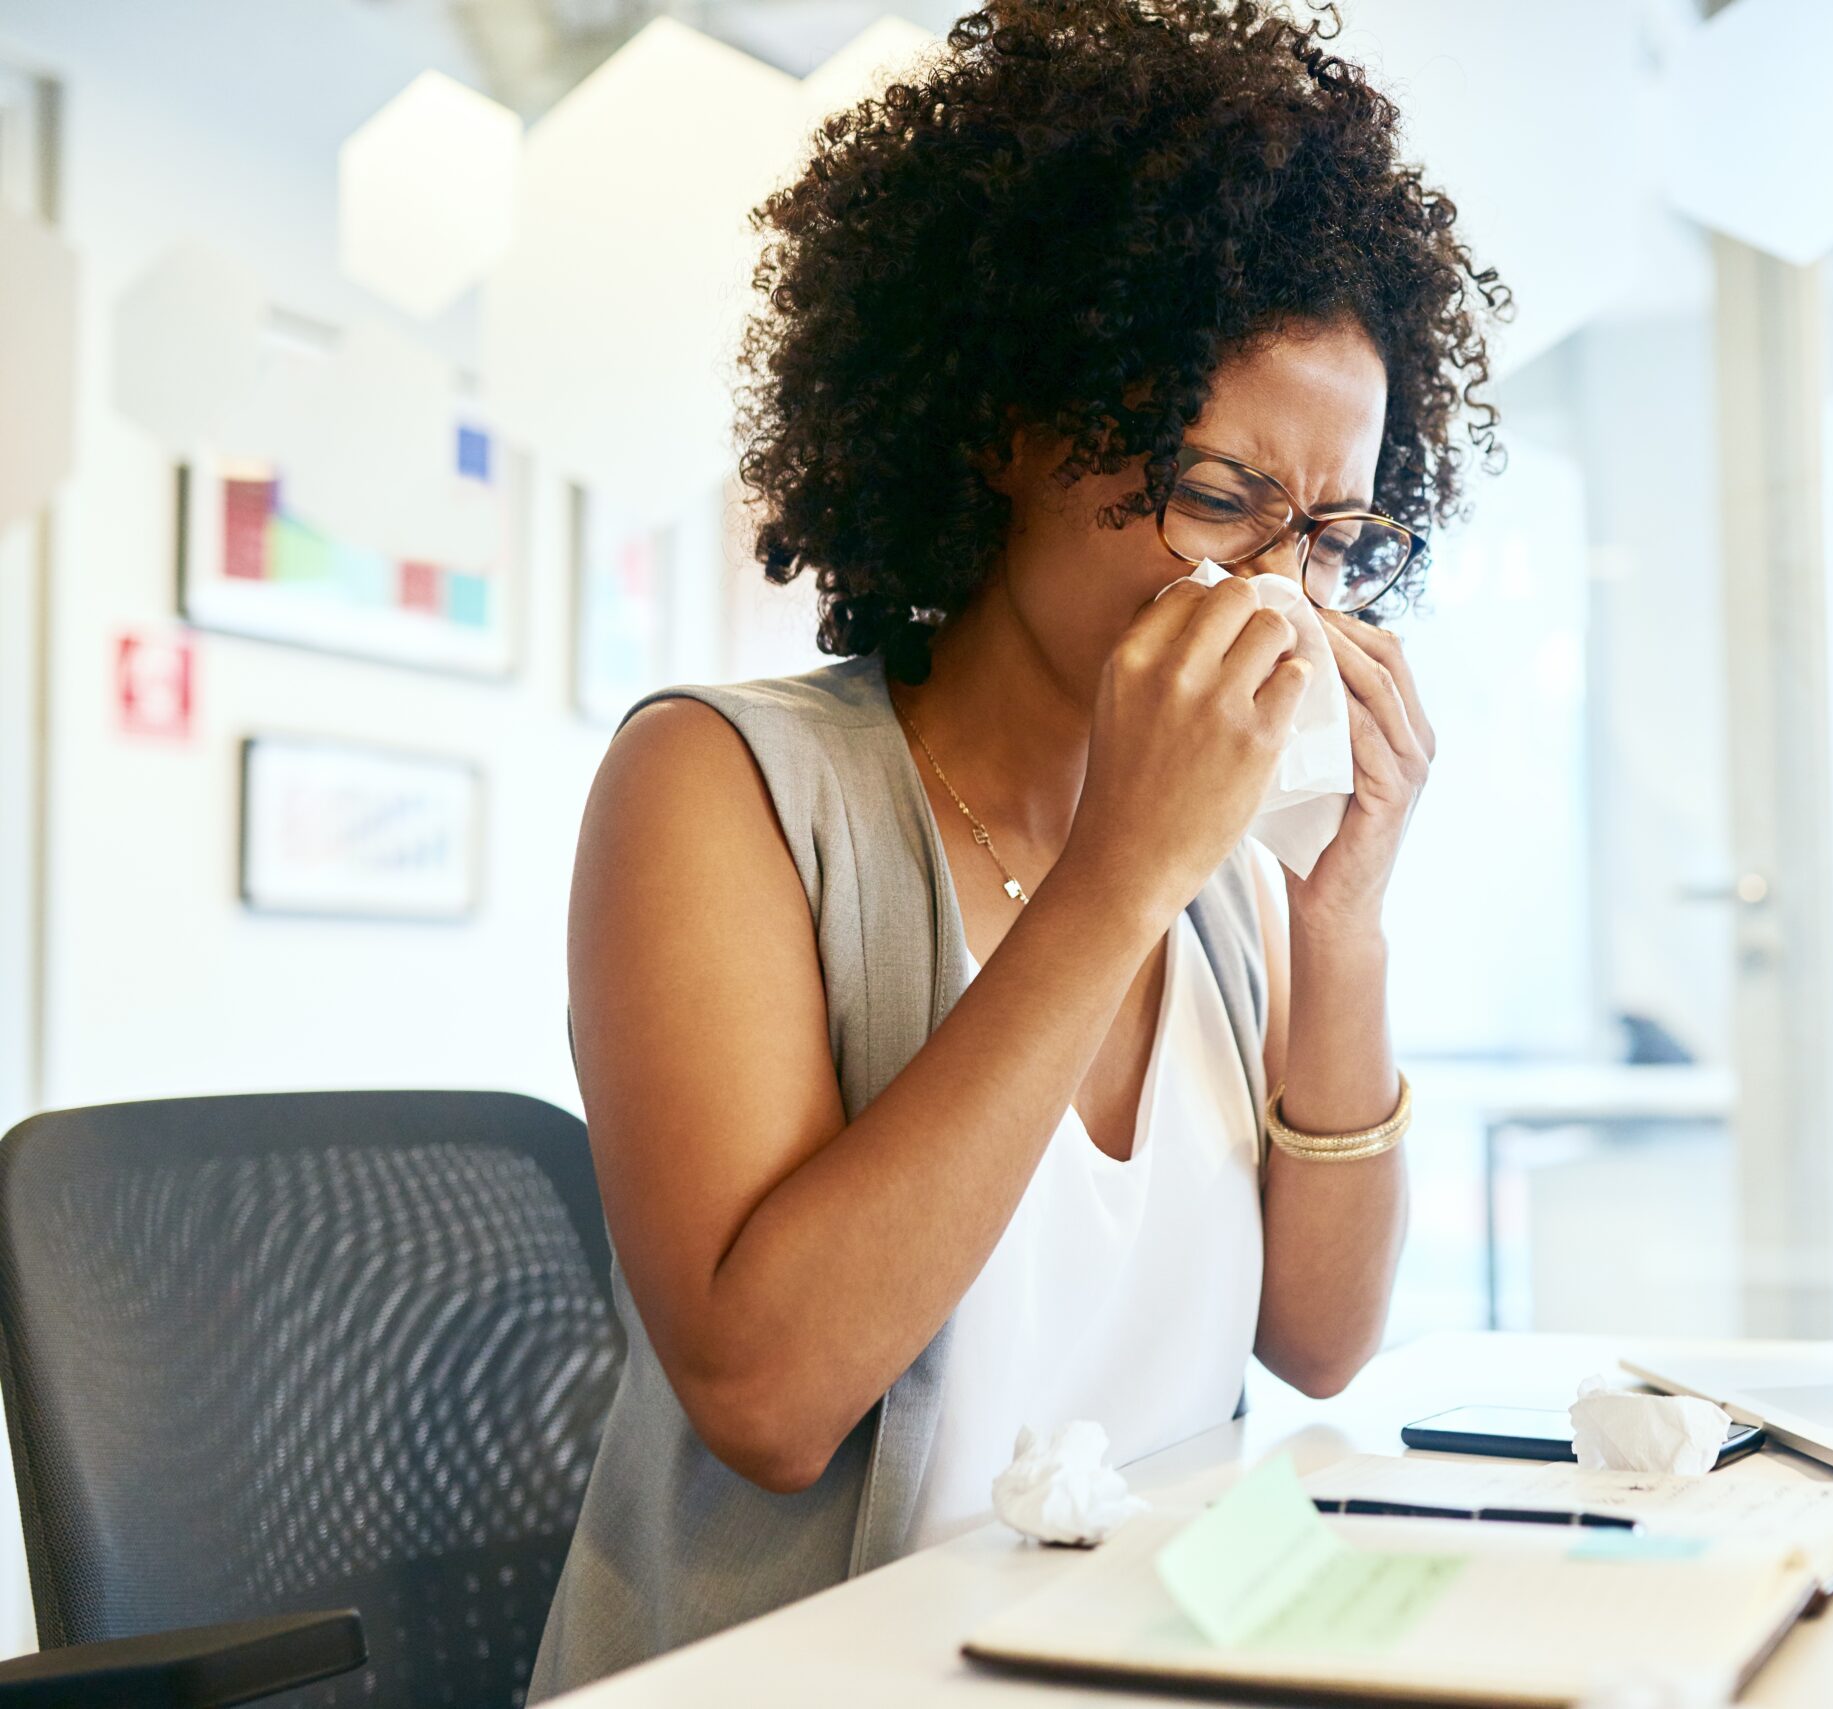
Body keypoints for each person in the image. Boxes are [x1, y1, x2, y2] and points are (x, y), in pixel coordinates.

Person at [529, 0, 1505, 1693]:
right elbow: (767, 1397)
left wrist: (1339, 916)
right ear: (1007, 427)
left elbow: (1324, 1339)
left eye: (1336, 534)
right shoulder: (720, 785)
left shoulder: (1219, 870)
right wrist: (1115, 877)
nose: (1281, 593)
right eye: (1219, 498)